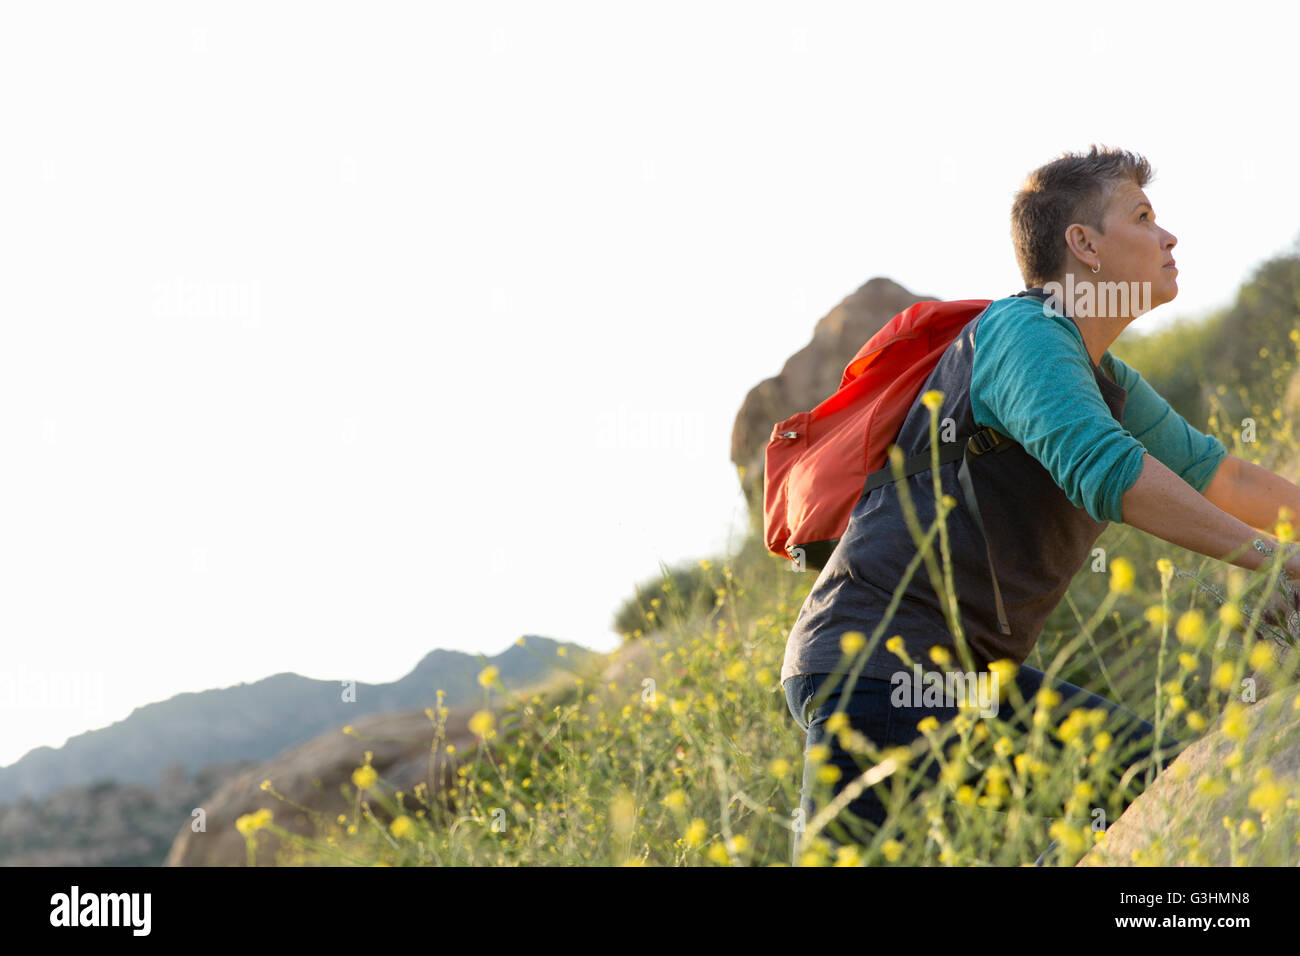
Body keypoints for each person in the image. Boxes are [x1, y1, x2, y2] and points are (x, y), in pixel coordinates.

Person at [780, 144, 1300, 864]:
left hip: (965, 674)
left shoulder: (1104, 377)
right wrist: (1278, 563)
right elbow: (1105, 469)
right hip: (874, 664)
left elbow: (1229, 480)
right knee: (1161, 794)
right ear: (1083, 245)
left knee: (1161, 785)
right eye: (1144, 217)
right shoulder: (1021, 334)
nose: (1169, 236)